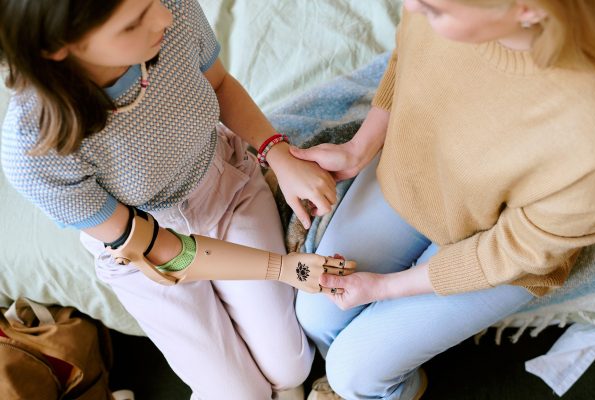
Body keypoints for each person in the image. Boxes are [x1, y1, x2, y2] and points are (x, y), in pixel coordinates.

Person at [0, 0, 348, 398]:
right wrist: (281, 268)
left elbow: (219, 84)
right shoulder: (34, 151)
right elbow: (161, 249)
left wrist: (279, 154)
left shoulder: (170, 9)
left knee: (291, 367)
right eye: (133, 24)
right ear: (58, 48)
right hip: (146, 254)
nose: (163, 17)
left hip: (225, 190)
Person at [291, 0, 595, 399]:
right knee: (315, 314)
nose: (410, 5)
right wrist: (359, 148)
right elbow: (407, 57)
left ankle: (397, 388)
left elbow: (517, 250)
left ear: (526, 10)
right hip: (413, 175)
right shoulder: (429, 5)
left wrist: (385, 288)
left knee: (354, 374)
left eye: (436, 10)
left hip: (501, 249)